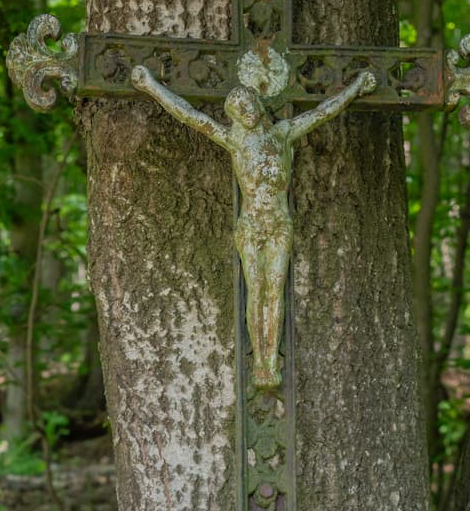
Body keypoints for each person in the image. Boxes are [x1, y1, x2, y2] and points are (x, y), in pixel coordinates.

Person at [130, 62, 376, 387]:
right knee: (255, 291)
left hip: (278, 225)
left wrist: (357, 86)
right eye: (237, 110)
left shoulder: (283, 133)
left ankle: (270, 363)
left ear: (258, 104)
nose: (244, 112)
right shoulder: (236, 141)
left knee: (274, 291)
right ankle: (259, 360)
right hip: (251, 226)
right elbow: (189, 115)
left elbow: (323, 112)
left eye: (248, 105)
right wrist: (149, 85)